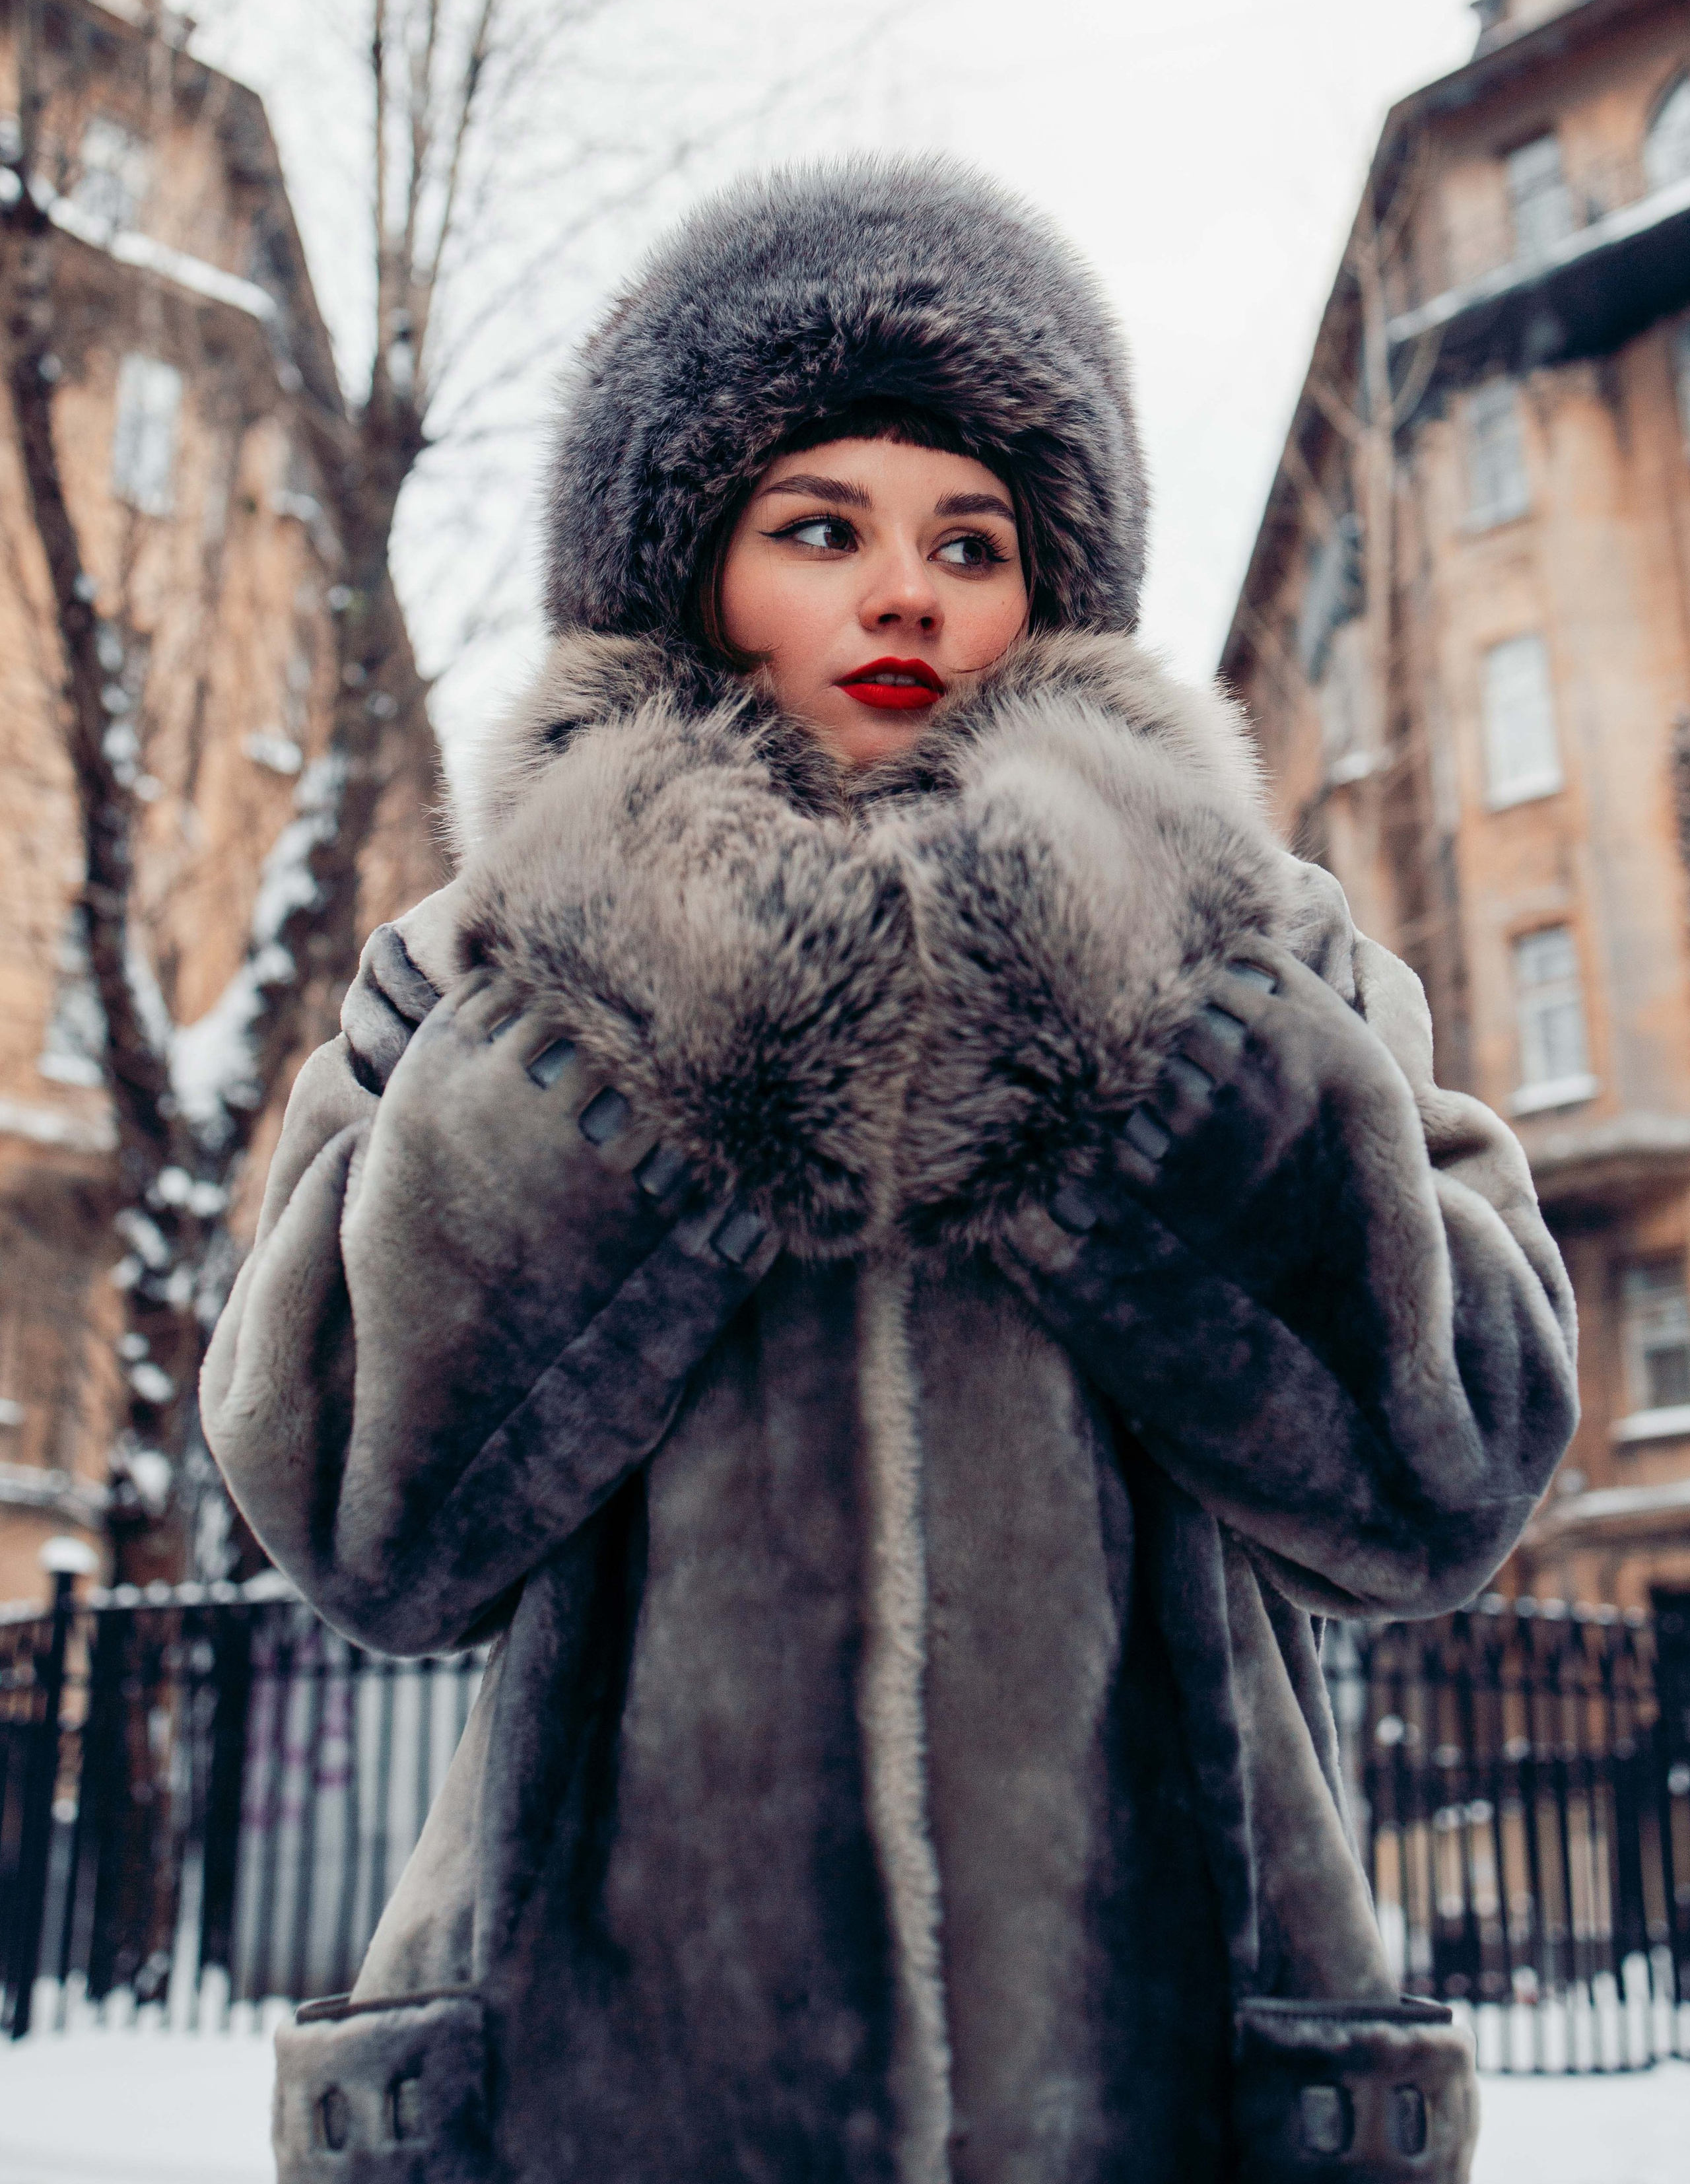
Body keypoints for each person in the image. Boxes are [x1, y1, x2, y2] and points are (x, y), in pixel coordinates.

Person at [202, 158, 1577, 2184]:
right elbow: (357, 1518)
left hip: (1153, 2090)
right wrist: (652, 1023)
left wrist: (1132, 1027)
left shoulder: (1258, 953)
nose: (908, 590)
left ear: (1051, 590)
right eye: (820, 527)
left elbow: (1451, 1470)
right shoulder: (486, 972)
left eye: (974, 536)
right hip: (624, 2103)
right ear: (694, 569)